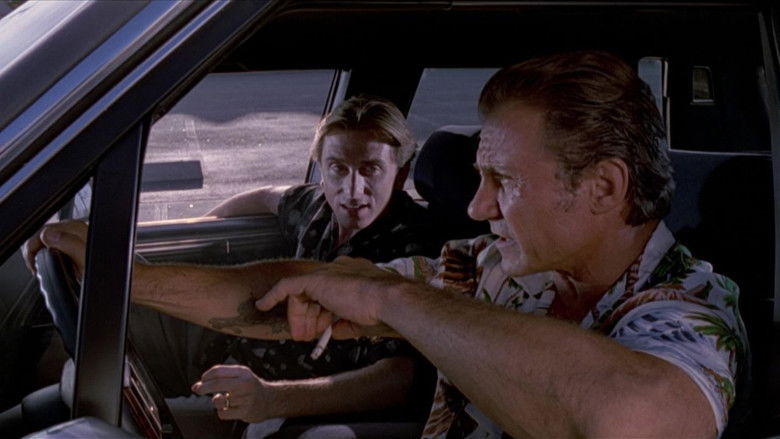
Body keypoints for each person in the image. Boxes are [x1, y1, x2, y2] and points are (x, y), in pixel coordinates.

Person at [27, 51, 747, 438]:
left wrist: (392, 299)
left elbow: (628, 418)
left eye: (502, 181)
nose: (477, 206)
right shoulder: (493, 269)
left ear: (603, 186)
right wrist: (121, 269)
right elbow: (280, 294)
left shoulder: (689, 311)